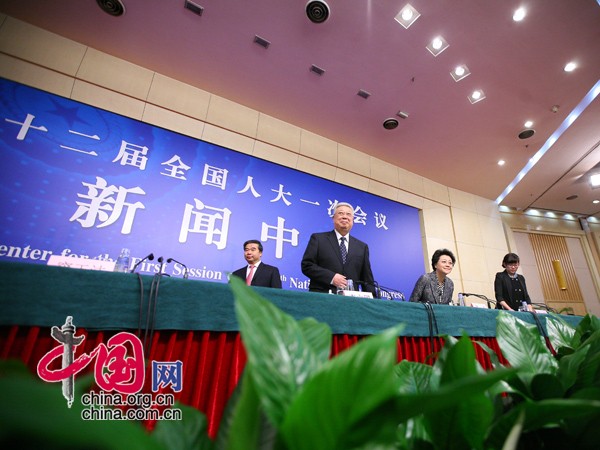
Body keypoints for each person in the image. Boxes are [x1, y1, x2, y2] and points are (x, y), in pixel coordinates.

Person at [301, 202, 376, 294]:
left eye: (348, 214)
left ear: (353, 220)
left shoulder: (362, 247)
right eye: (341, 213)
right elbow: (307, 265)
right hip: (322, 297)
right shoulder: (318, 239)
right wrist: (331, 277)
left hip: (350, 300)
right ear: (333, 218)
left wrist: (373, 300)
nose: (345, 217)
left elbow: (367, 280)